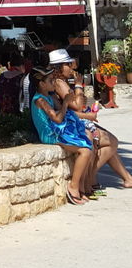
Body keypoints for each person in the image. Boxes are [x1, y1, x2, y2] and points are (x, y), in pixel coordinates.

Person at [49, 49, 132, 189]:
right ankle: (90, 177)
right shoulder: (59, 83)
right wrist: (78, 86)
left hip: (73, 119)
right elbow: (77, 106)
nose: (71, 67)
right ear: (59, 66)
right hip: (71, 123)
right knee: (112, 141)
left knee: (109, 144)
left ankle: (127, 178)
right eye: (68, 64)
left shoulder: (60, 81)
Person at [30, 67, 94, 204]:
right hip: (51, 134)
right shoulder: (40, 100)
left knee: (89, 137)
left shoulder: (49, 96)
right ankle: (73, 187)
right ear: (42, 84)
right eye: (50, 80)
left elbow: (62, 110)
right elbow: (57, 119)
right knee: (85, 151)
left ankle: (82, 185)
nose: (54, 82)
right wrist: (65, 102)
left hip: (59, 130)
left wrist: (68, 99)